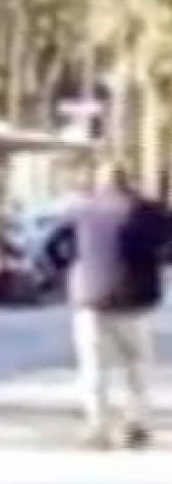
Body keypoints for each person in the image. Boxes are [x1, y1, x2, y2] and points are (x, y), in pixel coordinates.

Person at [66, 164, 167, 449]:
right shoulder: (144, 211)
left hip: (90, 299)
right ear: (128, 182)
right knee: (137, 363)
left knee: (93, 367)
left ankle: (97, 428)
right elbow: (164, 243)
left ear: (100, 182)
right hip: (131, 300)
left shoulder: (81, 210)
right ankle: (136, 424)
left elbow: (57, 246)